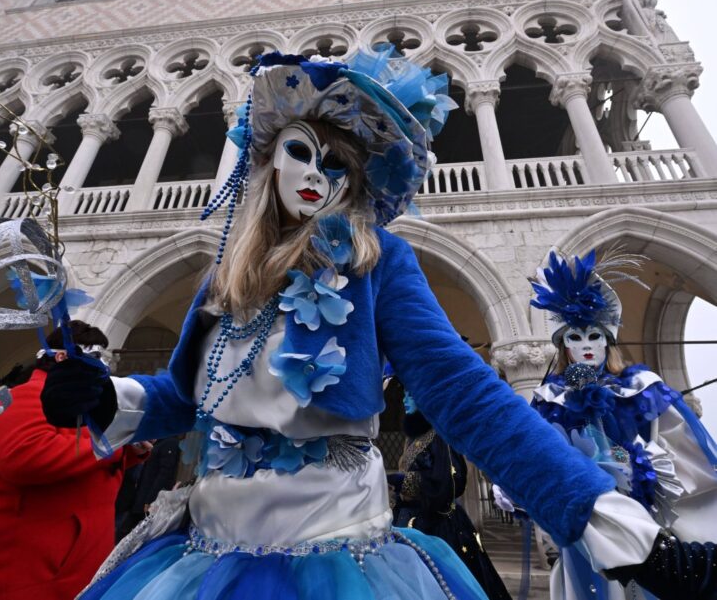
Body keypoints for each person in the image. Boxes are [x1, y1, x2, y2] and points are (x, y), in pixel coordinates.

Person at [41, 50, 717, 600]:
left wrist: (603, 519)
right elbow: (184, 396)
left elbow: (463, 391)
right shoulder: (227, 274)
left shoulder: (379, 262)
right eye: (302, 151)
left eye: (337, 166)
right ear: (271, 154)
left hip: (337, 561)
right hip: (202, 554)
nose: (314, 174)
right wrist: (110, 396)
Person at [494, 250, 717, 600]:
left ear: (608, 340)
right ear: (563, 345)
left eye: (594, 336)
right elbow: (534, 452)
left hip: (642, 515)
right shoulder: (549, 398)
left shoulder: (641, 388)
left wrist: (644, 468)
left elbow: (687, 457)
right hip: (585, 519)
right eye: (575, 337)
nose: (585, 346)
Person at [0, 321, 149, 600]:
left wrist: (130, 451)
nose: (103, 369)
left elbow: (84, 462)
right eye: (94, 359)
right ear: (62, 357)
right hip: (21, 567)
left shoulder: (80, 405)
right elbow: (26, 457)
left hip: (69, 562)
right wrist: (114, 442)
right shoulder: (23, 396)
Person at [386, 374, 512, 600]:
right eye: (404, 394)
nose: (405, 400)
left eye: (411, 395)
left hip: (438, 525)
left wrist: (404, 481)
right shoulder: (414, 438)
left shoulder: (439, 435)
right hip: (410, 520)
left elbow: (450, 482)